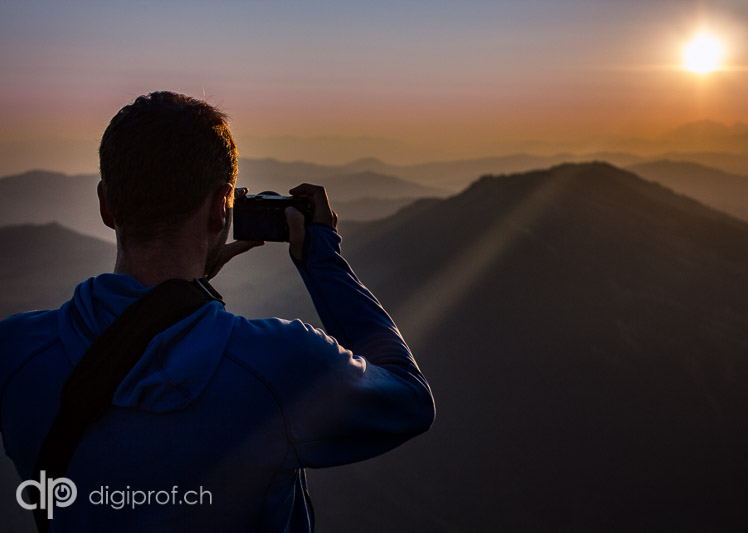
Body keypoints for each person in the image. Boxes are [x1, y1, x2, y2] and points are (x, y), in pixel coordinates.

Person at [0, 91, 435, 532]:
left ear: (106, 206)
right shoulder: (281, 364)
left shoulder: (15, 353)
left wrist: (181, 295)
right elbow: (410, 399)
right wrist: (323, 262)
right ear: (219, 206)